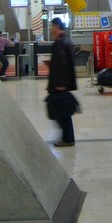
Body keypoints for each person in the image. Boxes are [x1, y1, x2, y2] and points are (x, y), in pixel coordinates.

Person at [44, 18, 78, 147]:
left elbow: (62, 65)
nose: (50, 28)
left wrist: (60, 84)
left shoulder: (60, 43)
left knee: (60, 111)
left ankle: (68, 139)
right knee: (63, 112)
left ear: (57, 26)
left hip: (59, 84)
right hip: (62, 82)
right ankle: (67, 137)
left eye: (51, 26)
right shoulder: (65, 41)